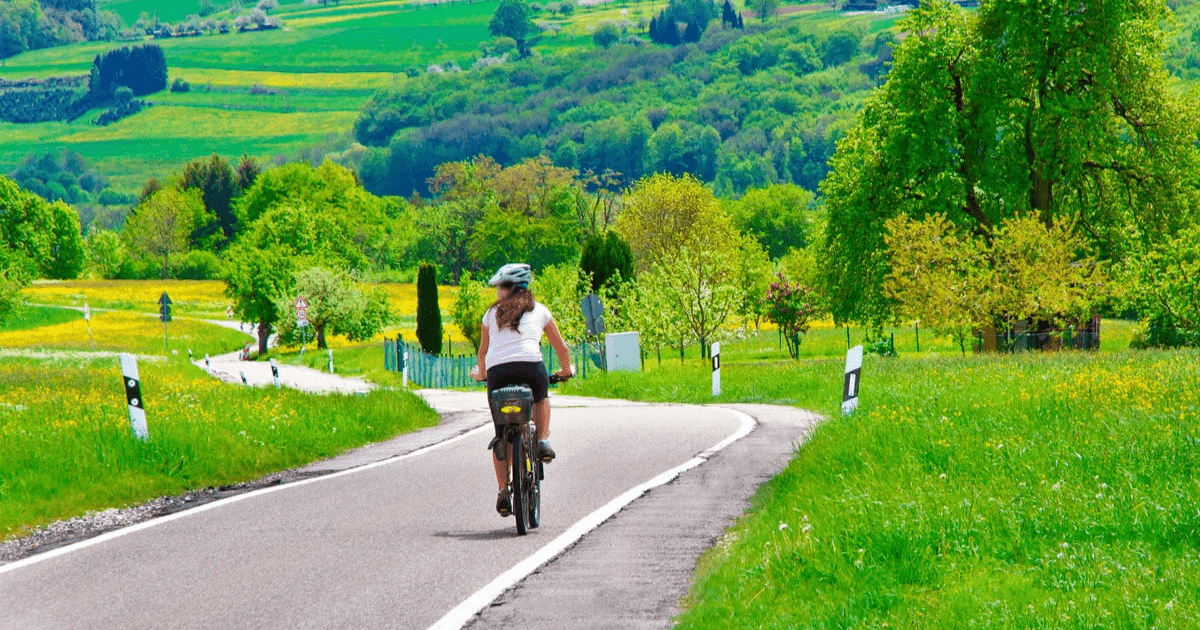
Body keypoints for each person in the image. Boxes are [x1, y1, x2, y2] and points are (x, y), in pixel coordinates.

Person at [470, 263, 573, 517]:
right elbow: (562, 349)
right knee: (541, 398)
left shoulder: (490, 315)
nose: (497, 292)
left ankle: (503, 492)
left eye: (501, 286)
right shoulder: (541, 310)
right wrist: (566, 370)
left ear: (511, 288)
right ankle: (543, 441)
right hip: (531, 369)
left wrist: (481, 374)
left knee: (500, 435)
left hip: (498, 375)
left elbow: (482, 352)